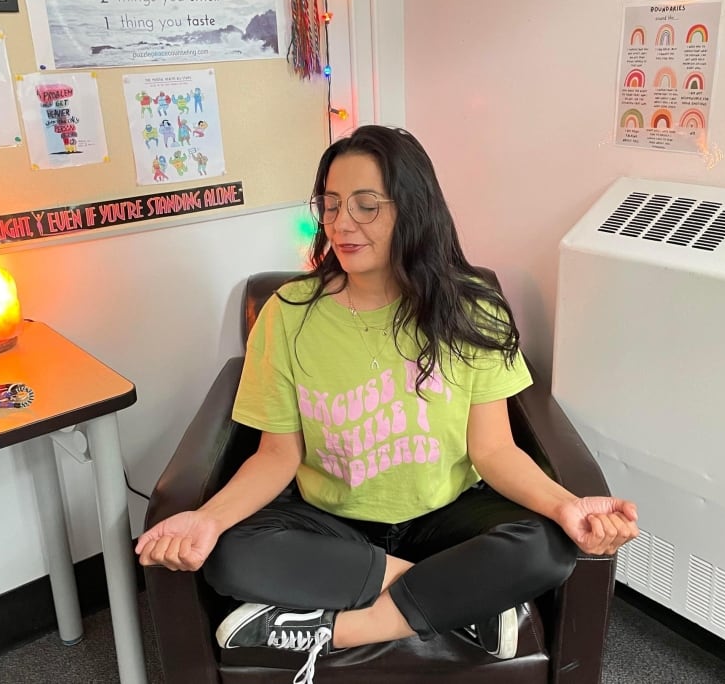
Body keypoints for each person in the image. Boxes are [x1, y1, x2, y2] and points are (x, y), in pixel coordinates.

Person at [136, 125, 639, 684]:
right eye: (329, 205)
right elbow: (276, 457)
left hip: (446, 514)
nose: (341, 224)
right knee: (232, 552)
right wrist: (206, 521)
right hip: (332, 521)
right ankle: (463, 602)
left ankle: (335, 630)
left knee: (548, 544)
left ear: (414, 209)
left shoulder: (473, 309)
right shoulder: (288, 314)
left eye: (366, 205)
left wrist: (567, 505)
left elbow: (494, 450)